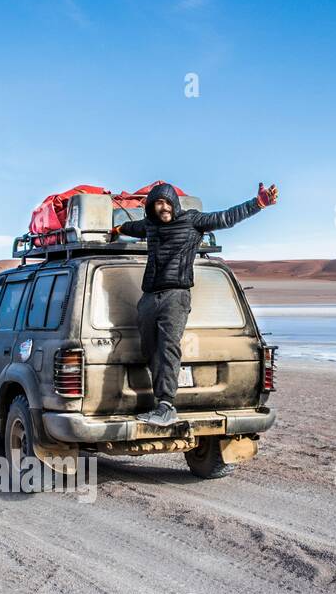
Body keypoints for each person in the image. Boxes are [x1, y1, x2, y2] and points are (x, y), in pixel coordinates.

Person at [113, 180, 278, 426]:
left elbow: (226, 218)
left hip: (176, 296)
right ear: (152, 207)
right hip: (149, 296)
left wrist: (258, 204)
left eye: (168, 202)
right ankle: (160, 401)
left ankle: (166, 405)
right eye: (159, 203)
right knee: (149, 348)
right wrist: (117, 229)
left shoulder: (193, 221)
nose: (164, 207)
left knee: (167, 346)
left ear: (175, 204)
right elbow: (132, 227)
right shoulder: (150, 226)